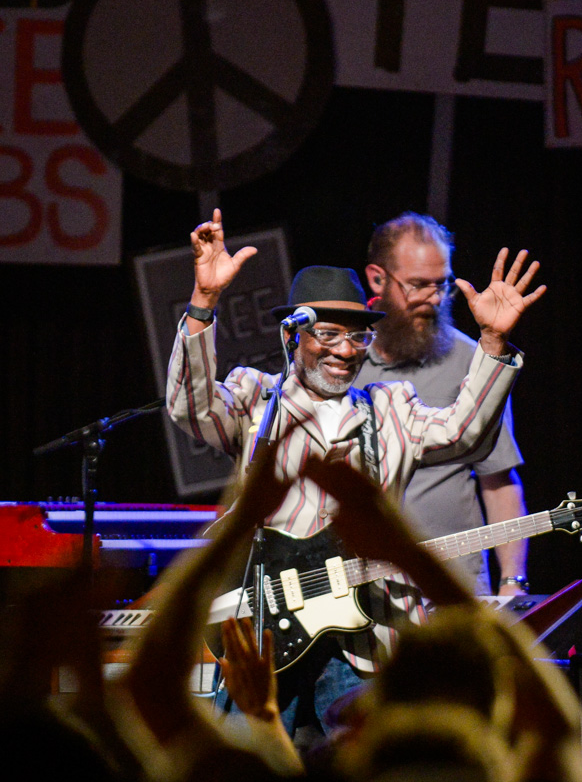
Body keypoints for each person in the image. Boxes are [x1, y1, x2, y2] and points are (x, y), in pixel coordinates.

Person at [166, 207, 545, 736]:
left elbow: (465, 433)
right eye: (329, 335)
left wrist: (492, 344)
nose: (346, 350)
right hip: (267, 634)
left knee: (364, 781)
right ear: (293, 334)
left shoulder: (390, 407)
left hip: (368, 643)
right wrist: (203, 304)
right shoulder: (258, 398)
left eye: (358, 337)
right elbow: (190, 405)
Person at [355, 211, 528, 596]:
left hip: (453, 586)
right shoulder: (339, 362)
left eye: (442, 285)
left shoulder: (476, 360)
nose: (433, 299)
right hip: (359, 594)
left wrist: (511, 581)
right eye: (418, 285)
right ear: (377, 278)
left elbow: (498, 481)